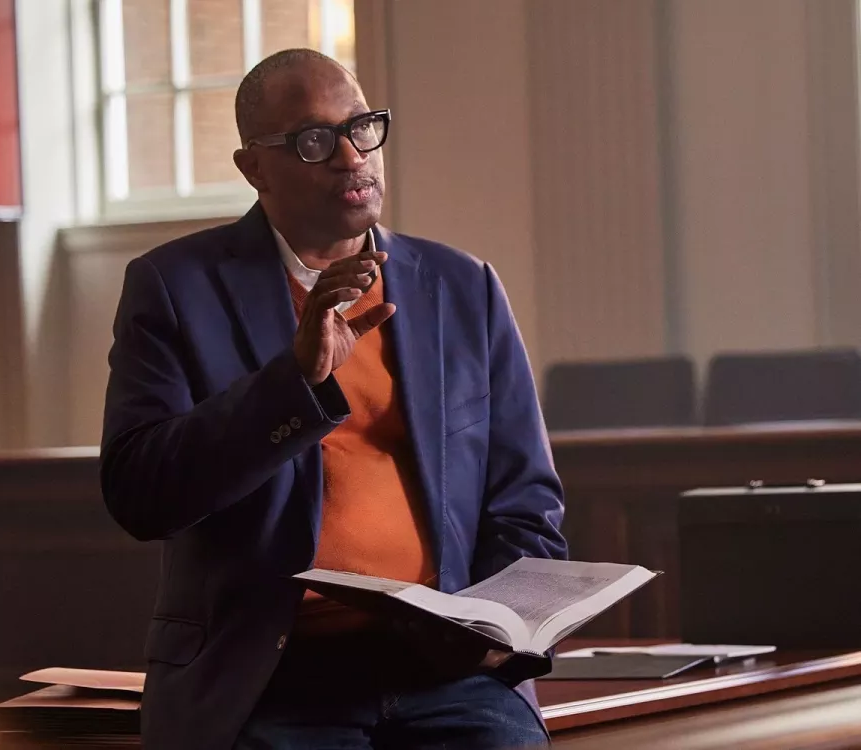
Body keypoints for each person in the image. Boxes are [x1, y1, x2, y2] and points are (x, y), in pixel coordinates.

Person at [100, 48, 567, 750]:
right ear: (253, 168)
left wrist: (501, 629)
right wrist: (294, 385)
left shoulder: (462, 287)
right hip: (272, 673)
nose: (352, 156)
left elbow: (525, 502)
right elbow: (141, 495)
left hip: (449, 675)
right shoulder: (175, 288)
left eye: (362, 128)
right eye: (314, 140)